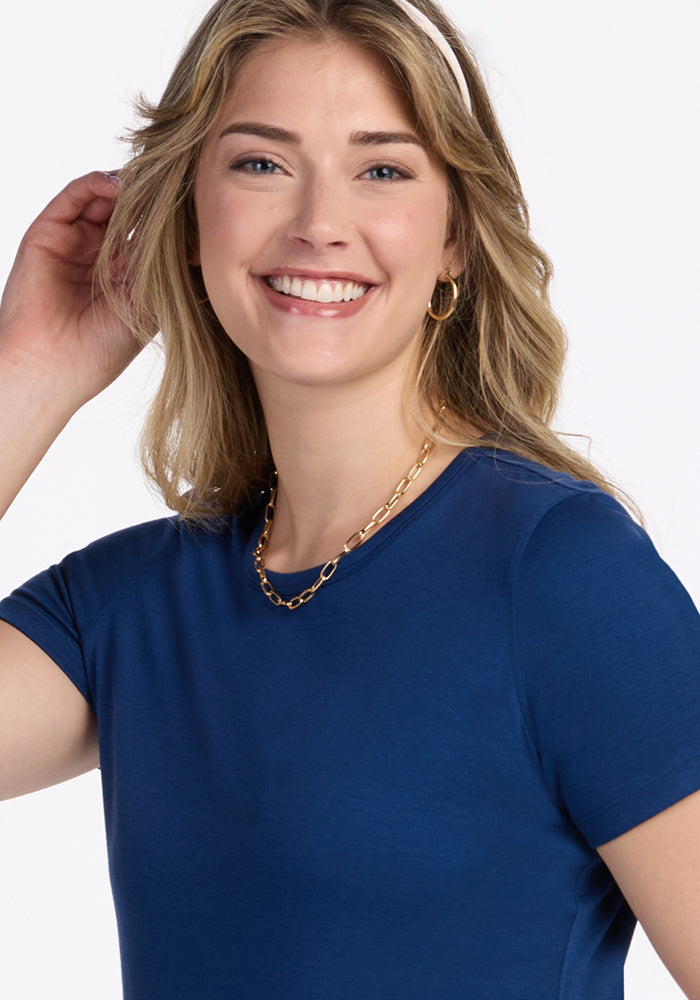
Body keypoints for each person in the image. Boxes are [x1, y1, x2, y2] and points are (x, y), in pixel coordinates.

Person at [0, 0, 698, 997]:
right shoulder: (131, 606)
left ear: (455, 239)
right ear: (187, 220)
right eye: (261, 163)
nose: (319, 224)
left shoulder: (562, 574)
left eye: (382, 170)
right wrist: (27, 374)